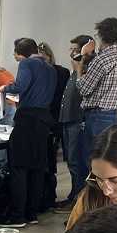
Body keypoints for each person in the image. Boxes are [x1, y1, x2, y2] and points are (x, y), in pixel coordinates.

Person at [0, 38, 55, 228]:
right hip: (44, 120)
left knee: (19, 166)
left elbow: (20, 86)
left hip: (27, 119)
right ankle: (31, 213)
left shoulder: (27, 64)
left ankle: (17, 216)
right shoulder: (50, 68)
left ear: (20, 53)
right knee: (37, 168)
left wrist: (5, 88)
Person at [77, 17, 117, 141]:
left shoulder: (101, 60)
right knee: (107, 150)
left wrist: (78, 69)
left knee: (92, 151)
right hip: (115, 114)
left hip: (97, 116)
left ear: (103, 36)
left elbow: (84, 90)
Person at [56, 35, 94, 212]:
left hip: (77, 120)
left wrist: (80, 66)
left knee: (76, 161)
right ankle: (73, 195)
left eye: (75, 49)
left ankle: (78, 199)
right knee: (70, 161)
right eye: (70, 49)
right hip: (67, 119)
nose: (71, 52)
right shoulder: (74, 70)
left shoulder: (85, 70)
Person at [37, 41, 70, 212]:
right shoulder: (39, 72)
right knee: (42, 160)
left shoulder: (61, 72)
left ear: (49, 57)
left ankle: (49, 196)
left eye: (43, 58)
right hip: (41, 119)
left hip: (54, 119)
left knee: (50, 162)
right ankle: (42, 196)